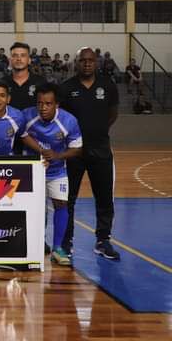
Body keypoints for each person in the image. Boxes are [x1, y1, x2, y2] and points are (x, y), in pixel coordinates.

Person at [59, 47, 120, 260]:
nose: (87, 64)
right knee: (68, 198)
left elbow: (113, 114)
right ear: (76, 63)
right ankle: (66, 242)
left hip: (101, 150)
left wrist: (97, 130)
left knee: (104, 198)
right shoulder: (66, 88)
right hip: (73, 152)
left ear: (97, 62)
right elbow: (61, 119)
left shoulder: (108, 86)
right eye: (82, 60)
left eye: (90, 60)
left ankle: (103, 241)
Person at [21, 83, 83, 266]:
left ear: (57, 104)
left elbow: (77, 148)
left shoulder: (69, 121)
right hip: (33, 169)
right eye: (40, 103)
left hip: (57, 170)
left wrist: (58, 155)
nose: (43, 108)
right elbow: (23, 135)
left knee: (61, 203)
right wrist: (40, 151)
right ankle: (36, 245)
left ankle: (57, 248)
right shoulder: (27, 115)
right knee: (35, 207)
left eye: (48, 103)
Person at [0, 42, 46, 153]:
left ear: (29, 60)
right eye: (15, 55)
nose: (19, 59)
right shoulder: (2, 83)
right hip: (8, 139)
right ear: (10, 60)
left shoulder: (40, 82)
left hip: (35, 139)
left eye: (23, 55)